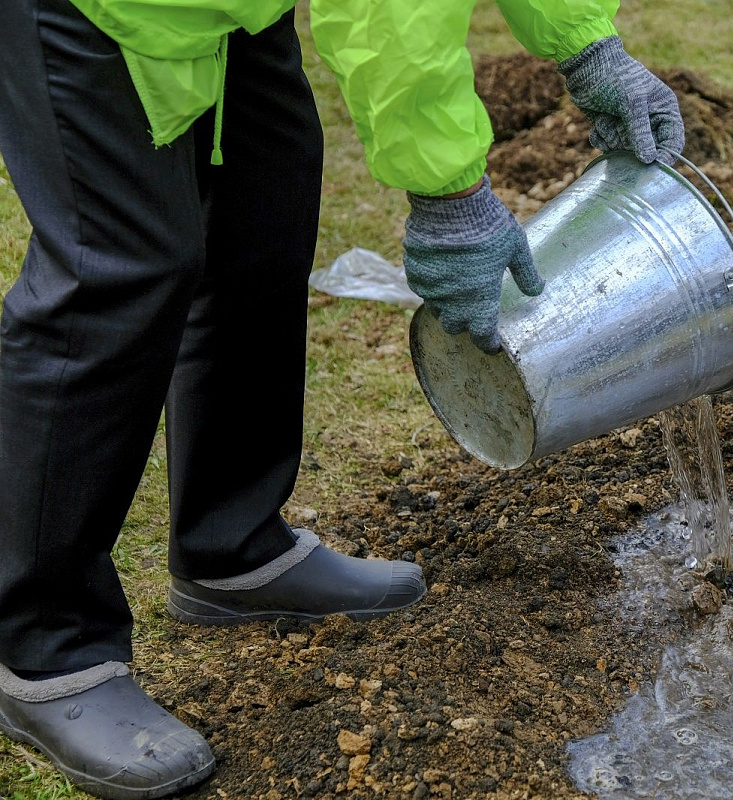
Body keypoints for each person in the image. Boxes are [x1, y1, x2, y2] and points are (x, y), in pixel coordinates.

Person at [0, 0, 684, 797]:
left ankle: (230, 548)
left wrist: (586, 45)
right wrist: (449, 192)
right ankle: (46, 649)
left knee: (262, 219)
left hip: (229, 12)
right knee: (114, 271)